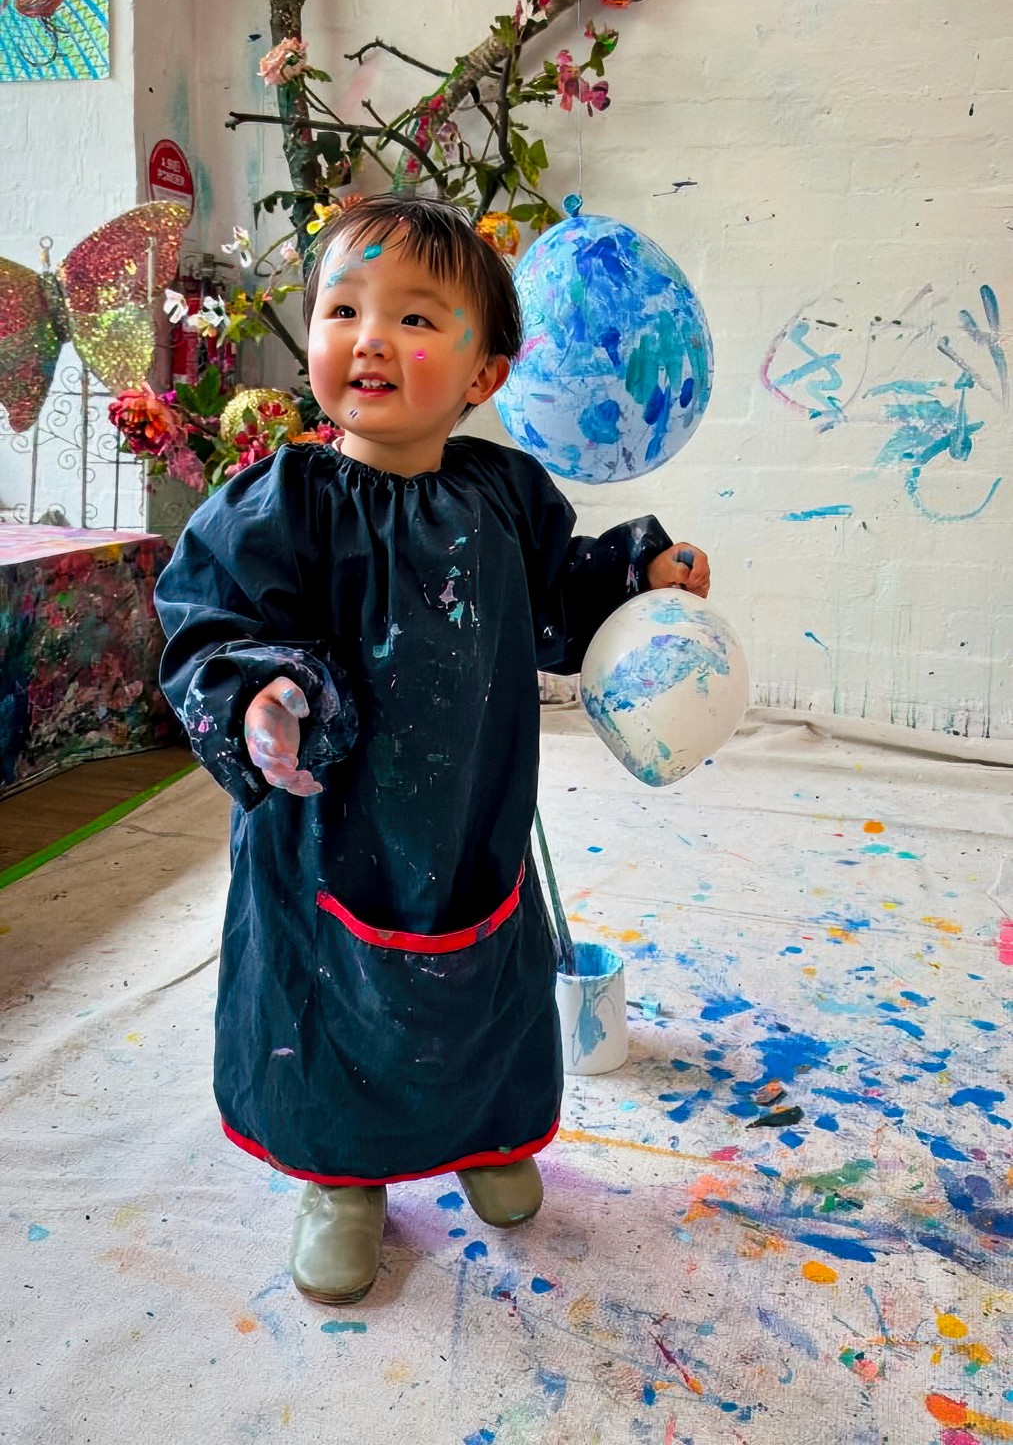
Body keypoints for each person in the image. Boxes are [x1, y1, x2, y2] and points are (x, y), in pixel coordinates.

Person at [154, 194, 711, 1306]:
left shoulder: (504, 495)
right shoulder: (279, 503)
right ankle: (341, 1178)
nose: (369, 338)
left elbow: (559, 600)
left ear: (484, 374)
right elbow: (209, 621)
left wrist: (635, 575)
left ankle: (483, 1132)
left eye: (414, 319)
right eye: (344, 309)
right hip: (328, 829)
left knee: (482, 979)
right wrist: (259, 695)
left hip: (470, 819)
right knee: (335, 995)